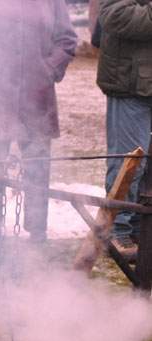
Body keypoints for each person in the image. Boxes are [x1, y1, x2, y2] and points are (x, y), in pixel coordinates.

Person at [0, 0, 76, 244]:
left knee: (38, 164)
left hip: (37, 95)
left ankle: (37, 230)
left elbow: (67, 40)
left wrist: (48, 69)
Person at [97, 0, 152, 261]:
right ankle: (117, 231)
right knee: (129, 162)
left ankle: (143, 230)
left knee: (149, 169)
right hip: (130, 84)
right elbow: (113, 15)